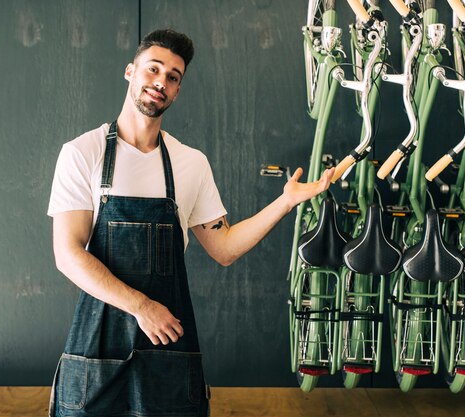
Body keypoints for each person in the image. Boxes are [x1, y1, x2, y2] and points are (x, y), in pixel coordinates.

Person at [47, 28, 334, 417]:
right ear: (131, 72)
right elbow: (68, 254)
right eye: (153, 69)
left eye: (173, 77)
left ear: (178, 91)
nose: (160, 82)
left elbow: (225, 248)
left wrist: (284, 203)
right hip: (98, 352)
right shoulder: (83, 153)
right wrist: (141, 306)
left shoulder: (190, 164)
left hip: (167, 351)